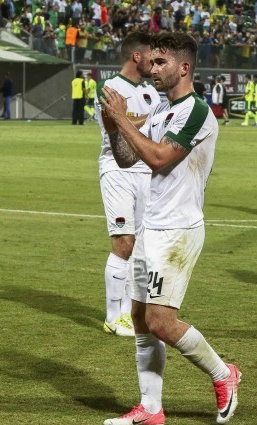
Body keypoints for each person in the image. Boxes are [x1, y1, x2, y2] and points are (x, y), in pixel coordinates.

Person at [100, 32, 241, 425]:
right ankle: (150, 409)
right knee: (142, 318)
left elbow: (160, 158)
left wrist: (124, 122)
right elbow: (130, 159)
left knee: (161, 321)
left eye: (161, 63)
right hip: (151, 228)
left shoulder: (195, 111)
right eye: (152, 62)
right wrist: (114, 128)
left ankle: (223, 373)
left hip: (177, 232)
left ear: (184, 67)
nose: (153, 68)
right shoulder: (162, 111)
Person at [95, 31, 160, 337]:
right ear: (137, 56)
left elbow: (138, 122)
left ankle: (130, 312)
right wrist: (141, 118)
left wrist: (134, 117)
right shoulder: (110, 87)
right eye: (152, 57)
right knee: (124, 243)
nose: (155, 63)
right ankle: (112, 316)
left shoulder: (152, 92)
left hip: (145, 171)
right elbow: (116, 121)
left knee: (142, 247)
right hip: (117, 170)